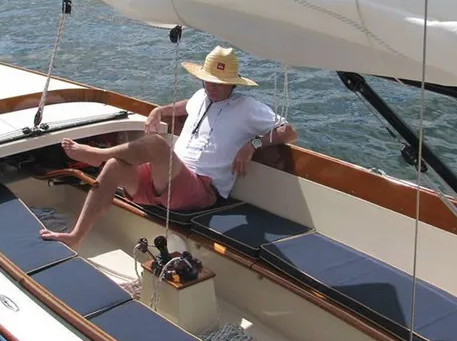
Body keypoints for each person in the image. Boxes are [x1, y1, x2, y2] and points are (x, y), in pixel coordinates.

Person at [40, 46, 297, 248]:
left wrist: (253, 144)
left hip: (200, 190)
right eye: (208, 80)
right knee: (113, 167)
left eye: (219, 82)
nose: (212, 87)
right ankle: (76, 235)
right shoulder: (201, 96)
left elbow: (288, 131)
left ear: (233, 83)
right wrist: (159, 110)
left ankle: (97, 154)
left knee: (156, 144)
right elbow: (182, 106)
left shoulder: (248, 108)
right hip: (165, 183)